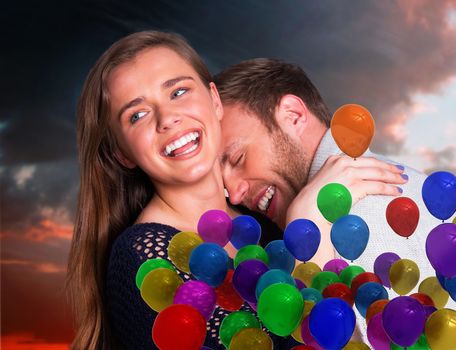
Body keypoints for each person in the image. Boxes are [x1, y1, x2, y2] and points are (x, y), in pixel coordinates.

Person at [66, 31, 400, 350]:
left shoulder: (267, 229)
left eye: (178, 92)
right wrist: (307, 226)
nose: (167, 118)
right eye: (137, 114)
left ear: (214, 101)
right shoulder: (143, 258)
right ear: (120, 153)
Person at [215, 58, 456, 349]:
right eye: (222, 179)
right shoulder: (387, 181)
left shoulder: (363, 215)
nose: (234, 193)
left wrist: (305, 231)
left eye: (238, 158)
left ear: (293, 115)